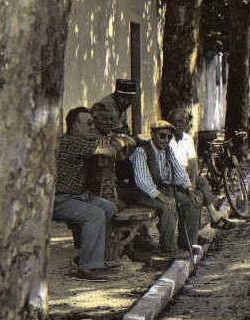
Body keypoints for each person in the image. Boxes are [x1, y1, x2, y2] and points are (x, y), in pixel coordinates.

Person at [52, 107, 121, 282]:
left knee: (108, 207)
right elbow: (109, 150)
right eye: (88, 123)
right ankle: (88, 267)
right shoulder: (71, 142)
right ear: (74, 126)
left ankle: (91, 257)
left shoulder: (82, 141)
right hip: (60, 199)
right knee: (95, 215)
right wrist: (116, 142)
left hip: (79, 197)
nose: (93, 127)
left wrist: (112, 141)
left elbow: (109, 145)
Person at [129, 120, 200, 258]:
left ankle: (187, 244)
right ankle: (169, 249)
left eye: (169, 137)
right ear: (153, 134)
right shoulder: (141, 151)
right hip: (143, 192)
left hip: (163, 189)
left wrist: (189, 188)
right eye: (162, 136)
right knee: (168, 206)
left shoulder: (168, 150)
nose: (166, 140)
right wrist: (162, 197)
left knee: (192, 202)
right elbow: (143, 181)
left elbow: (179, 171)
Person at [166, 107, 233, 231]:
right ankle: (213, 217)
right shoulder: (166, 141)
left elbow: (193, 163)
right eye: (175, 122)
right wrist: (189, 185)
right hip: (174, 180)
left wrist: (192, 182)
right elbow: (172, 168)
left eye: (181, 121)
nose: (178, 125)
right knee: (198, 192)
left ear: (186, 123)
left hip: (187, 175)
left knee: (201, 181)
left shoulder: (188, 139)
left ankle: (212, 217)